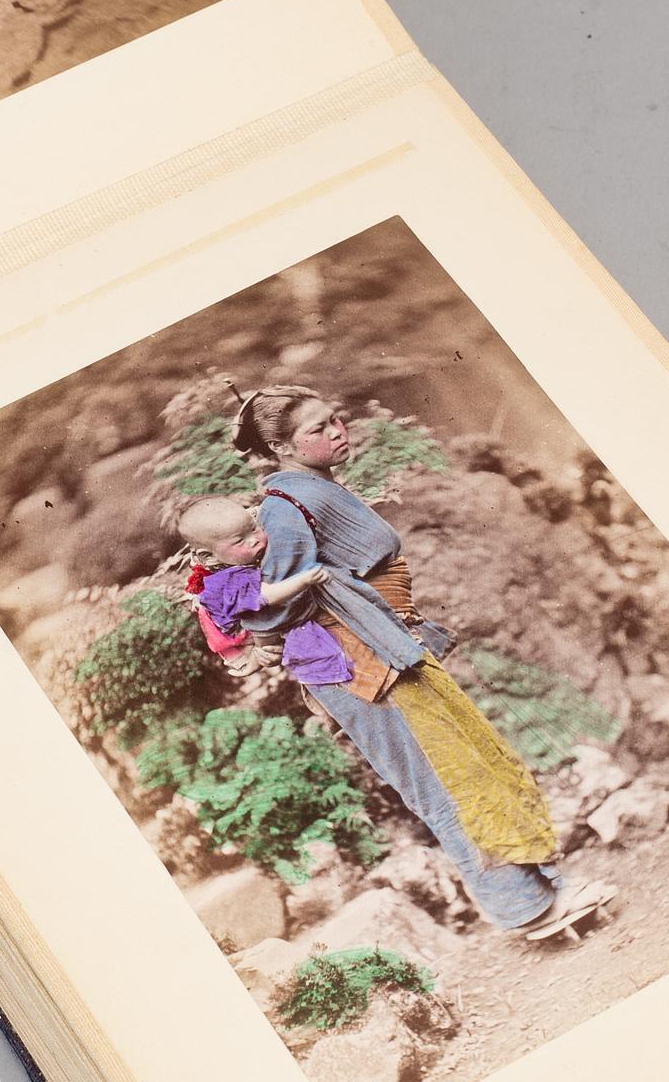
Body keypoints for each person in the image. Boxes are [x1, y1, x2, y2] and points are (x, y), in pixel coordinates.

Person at [229, 384, 615, 939]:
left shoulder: (315, 489)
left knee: (470, 765)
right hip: (361, 665)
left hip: (389, 645)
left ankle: (539, 891)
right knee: (445, 780)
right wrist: (330, 601)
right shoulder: (285, 508)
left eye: (336, 419)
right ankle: (525, 907)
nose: (338, 431)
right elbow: (266, 610)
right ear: (281, 447)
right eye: (318, 429)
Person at [176, 496, 353, 686]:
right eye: (239, 541)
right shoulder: (231, 580)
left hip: (245, 621)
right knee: (270, 644)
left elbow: (254, 515)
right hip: (241, 638)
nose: (254, 540)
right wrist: (304, 580)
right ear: (209, 557)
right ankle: (254, 662)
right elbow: (268, 596)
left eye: (253, 528)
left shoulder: (229, 553)